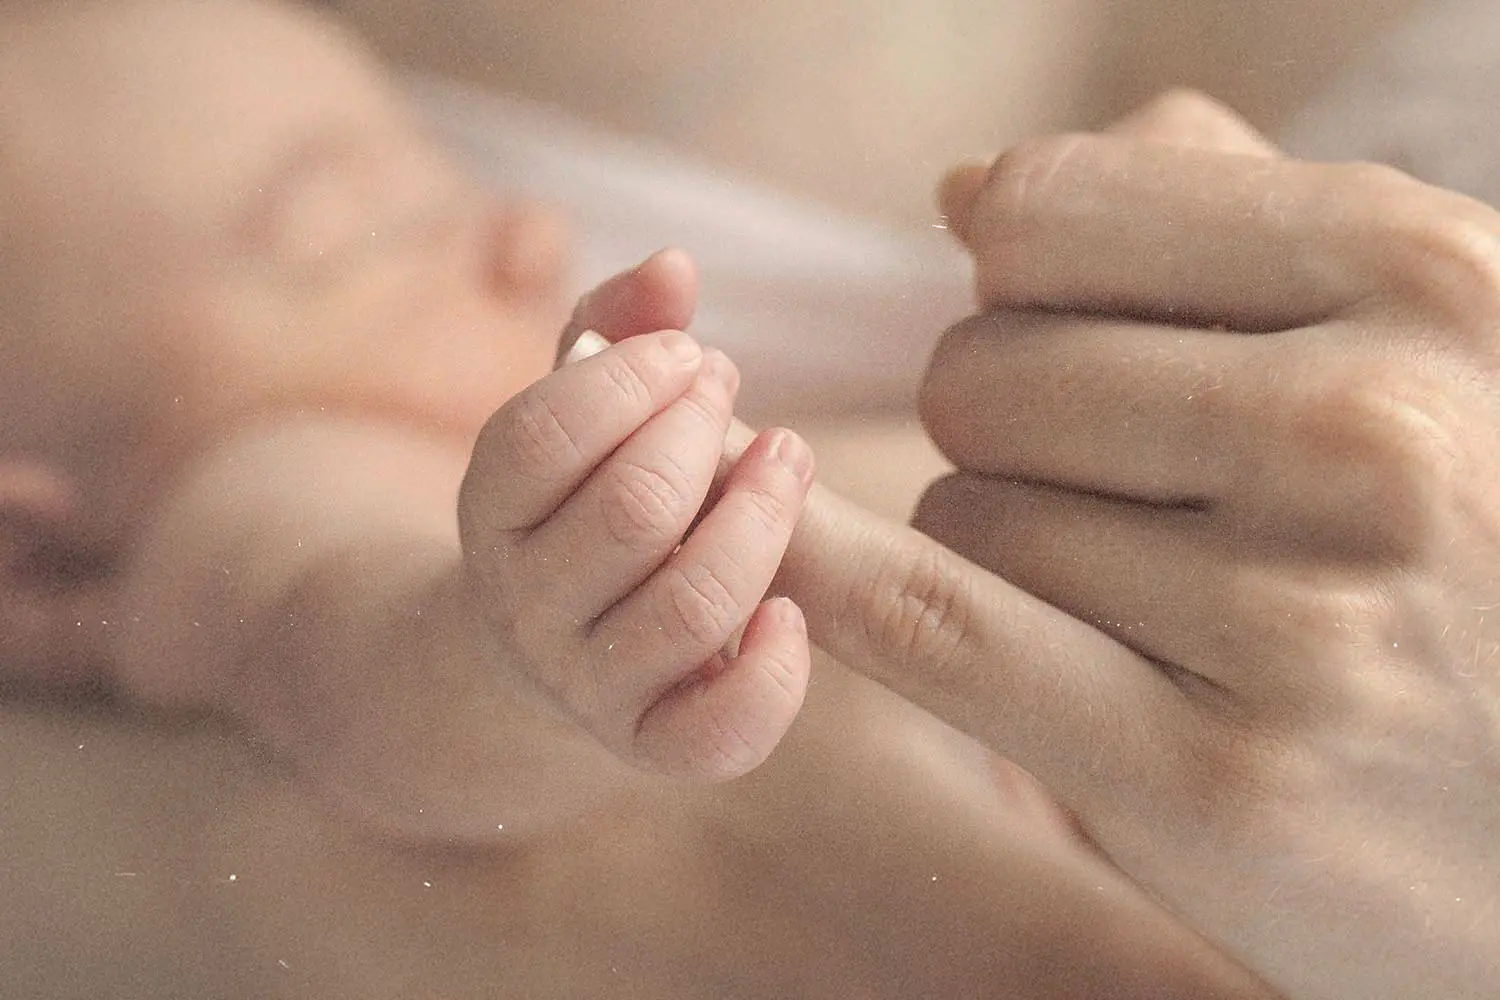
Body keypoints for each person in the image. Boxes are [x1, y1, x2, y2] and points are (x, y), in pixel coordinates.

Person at [0, 1, 1275, 996]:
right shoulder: (248, 483)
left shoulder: (378, 390)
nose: (527, 232)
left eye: (445, 171)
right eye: (356, 229)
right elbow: (359, 659)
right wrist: (517, 654)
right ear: (29, 544)